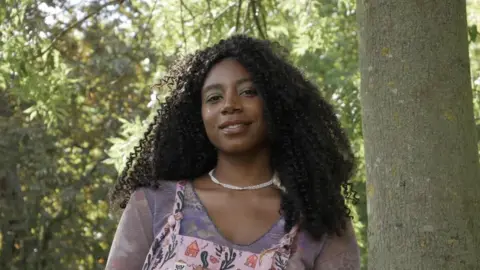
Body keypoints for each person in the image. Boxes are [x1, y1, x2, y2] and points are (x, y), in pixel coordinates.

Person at [105, 34, 360, 270]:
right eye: (214, 98)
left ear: (276, 104)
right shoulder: (153, 204)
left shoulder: (319, 223)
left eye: (248, 92)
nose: (230, 105)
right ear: (198, 115)